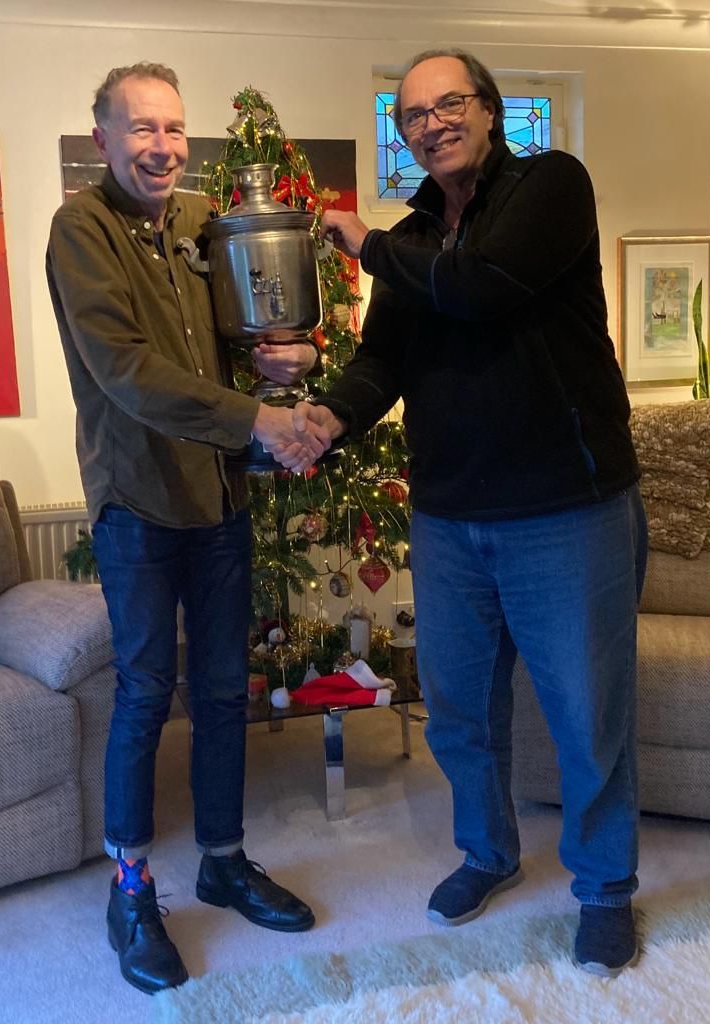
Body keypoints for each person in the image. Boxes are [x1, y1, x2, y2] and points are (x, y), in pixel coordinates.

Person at [288, 48, 648, 979]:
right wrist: (331, 415)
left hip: (566, 510)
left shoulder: (549, 186)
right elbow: (384, 358)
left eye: (449, 103)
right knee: (456, 712)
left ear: (489, 110)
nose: (432, 123)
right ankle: (488, 852)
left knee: (586, 717)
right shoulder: (414, 235)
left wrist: (367, 245)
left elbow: (482, 283)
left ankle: (604, 887)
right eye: (412, 114)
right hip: (449, 516)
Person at [46, 63, 330, 995]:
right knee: (143, 693)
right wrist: (257, 419)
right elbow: (125, 368)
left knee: (219, 690)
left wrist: (283, 354)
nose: (162, 146)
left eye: (173, 128)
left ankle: (222, 860)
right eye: (141, 129)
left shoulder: (203, 219)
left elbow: (240, 324)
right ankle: (130, 888)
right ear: (104, 139)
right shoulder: (80, 230)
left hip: (219, 494)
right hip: (135, 499)